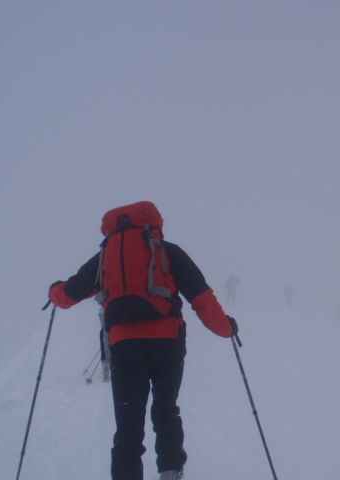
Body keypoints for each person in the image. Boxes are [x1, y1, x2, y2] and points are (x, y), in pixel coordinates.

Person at [48, 201, 237, 480]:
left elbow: (69, 294)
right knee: (166, 411)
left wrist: (53, 292)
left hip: (125, 347)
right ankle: (171, 473)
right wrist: (227, 328)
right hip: (168, 344)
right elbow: (201, 297)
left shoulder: (106, 256)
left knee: (128, 426)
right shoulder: (168, 251)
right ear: (154, 222)